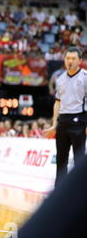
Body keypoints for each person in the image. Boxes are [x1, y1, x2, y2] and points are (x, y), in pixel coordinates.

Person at [44, 47, 87, 187]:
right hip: (63, 121)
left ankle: (80, 190)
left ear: (80, 61)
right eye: (68, 58)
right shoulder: (60, 79)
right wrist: (54, 123)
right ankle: (59, 190)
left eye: (73, 58)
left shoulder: (85, 77)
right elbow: (57, 102)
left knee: (79, 160)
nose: (70, 61)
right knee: (61, 159)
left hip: (79, 120)